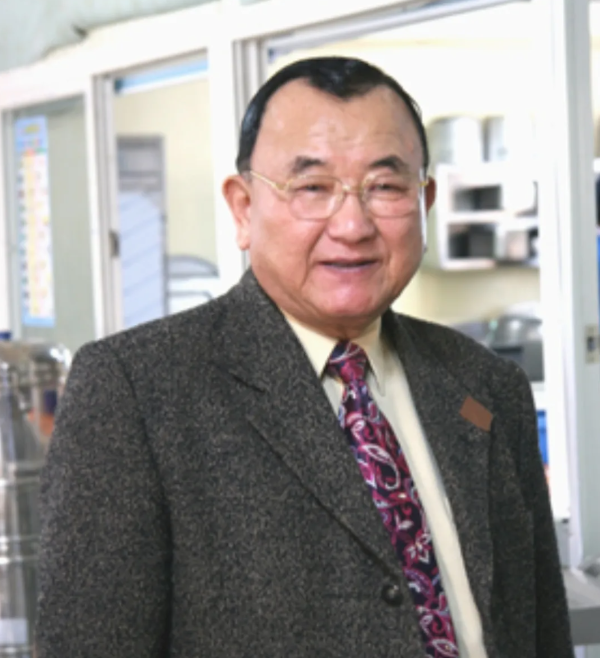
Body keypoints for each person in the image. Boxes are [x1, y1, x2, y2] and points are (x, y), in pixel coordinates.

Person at [35, 57, 573, 658]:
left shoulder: (485, 387)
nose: (352, 224)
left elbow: (541, 630)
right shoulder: (135, 393)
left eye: (385, 187)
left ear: (424, 201)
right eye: (313, 188)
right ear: (243, 208)